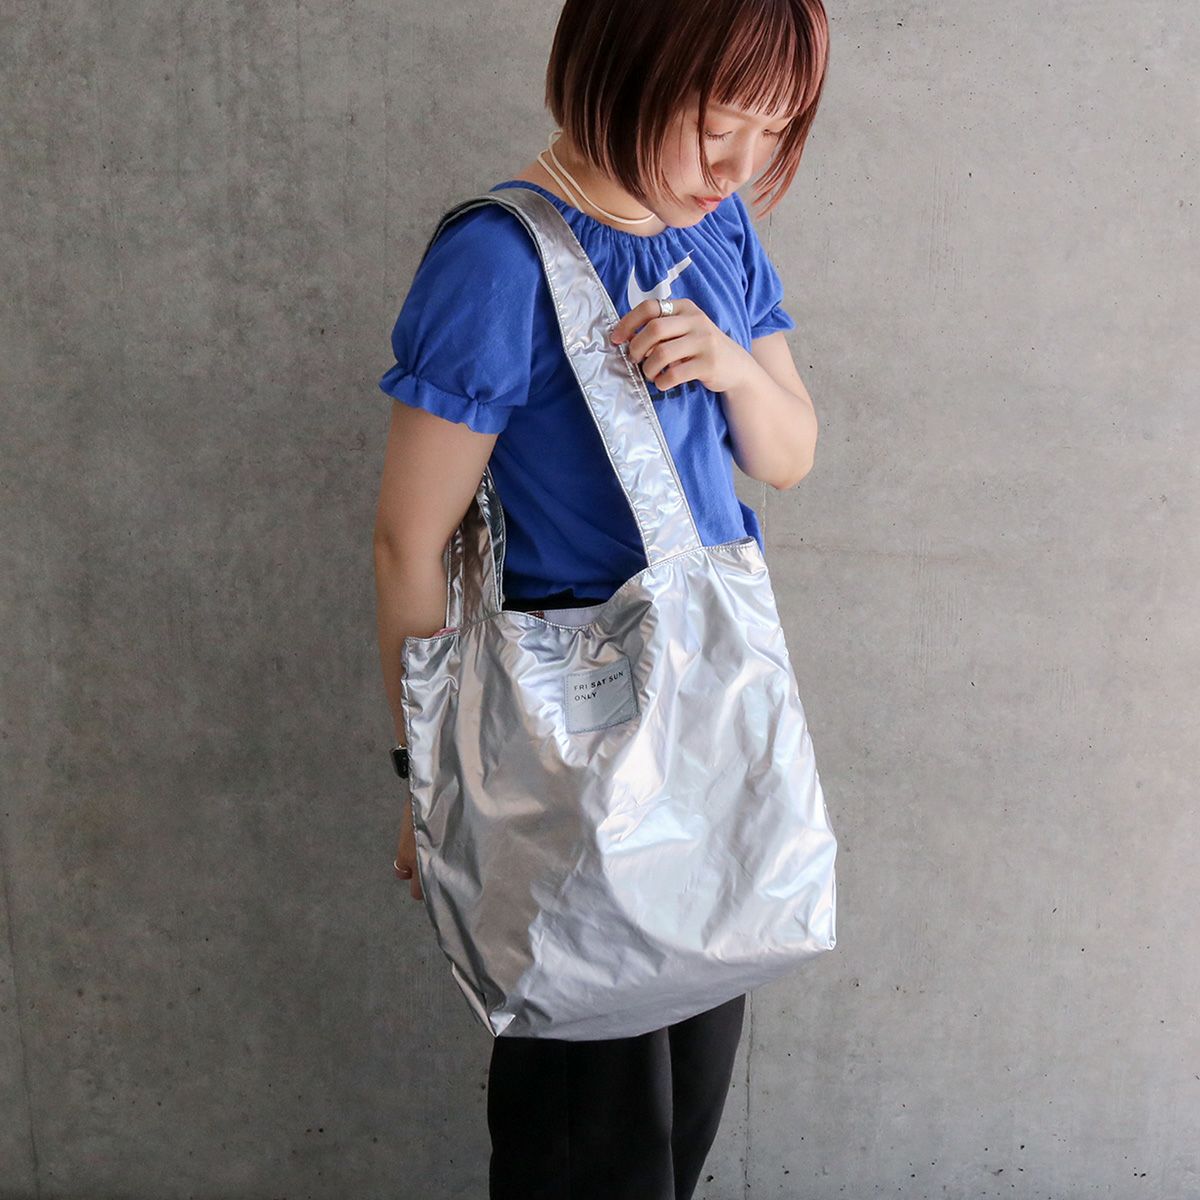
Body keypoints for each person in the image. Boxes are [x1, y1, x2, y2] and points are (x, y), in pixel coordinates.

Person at [371, 1, 830, 1195]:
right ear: (620, 67)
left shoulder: (719, 230)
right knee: (592, 1144)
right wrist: (428, 778)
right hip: (567, 759)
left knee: (683, 1116)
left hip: (711, 723)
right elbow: (411, 543)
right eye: (716, 125)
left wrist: (729, 365)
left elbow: (786, 455)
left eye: (774, 131)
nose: (739, 165)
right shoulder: (497, 261)